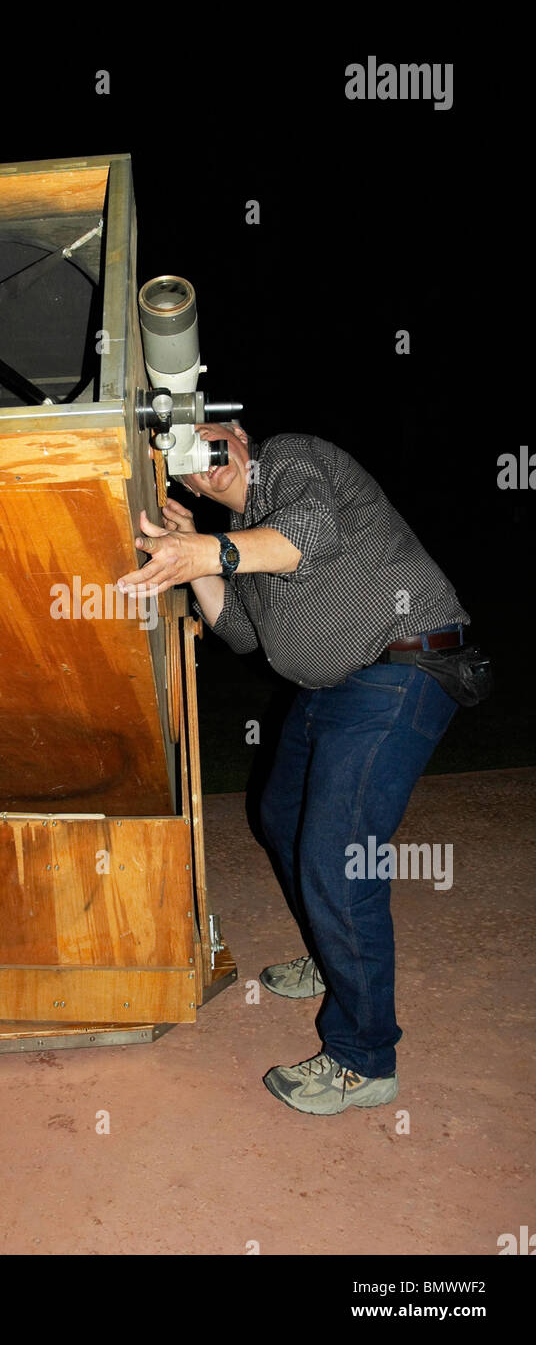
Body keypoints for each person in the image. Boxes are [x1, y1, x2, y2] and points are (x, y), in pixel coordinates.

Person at [117, 424, 468, 1116]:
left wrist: (210, 548)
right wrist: (206, 567)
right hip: (335, 688)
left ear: (239, 436)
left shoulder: (291, 461)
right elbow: (241, 632)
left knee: (337, 861)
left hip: (403, 667)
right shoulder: (247, 534)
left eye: (211, 441)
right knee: (279, 817)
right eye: (189, 463)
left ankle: (363, 1060)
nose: (204, 462)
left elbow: (306, 534)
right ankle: (335, 959)